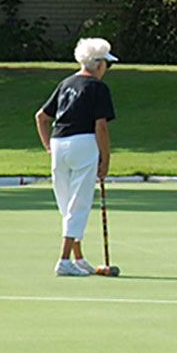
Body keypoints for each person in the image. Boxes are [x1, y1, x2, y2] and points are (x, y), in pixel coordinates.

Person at [36, 38, 117, 276]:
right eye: (107, 64)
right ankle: (63, 260)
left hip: (59, 144)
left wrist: (48, 147)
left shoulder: (66, 83)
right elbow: (100, 126)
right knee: (78, 203)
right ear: (99, 64)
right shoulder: (98, 87)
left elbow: (41, 117)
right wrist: (105, 159)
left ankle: (77, 256)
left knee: (67, 204)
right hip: (83, 144)